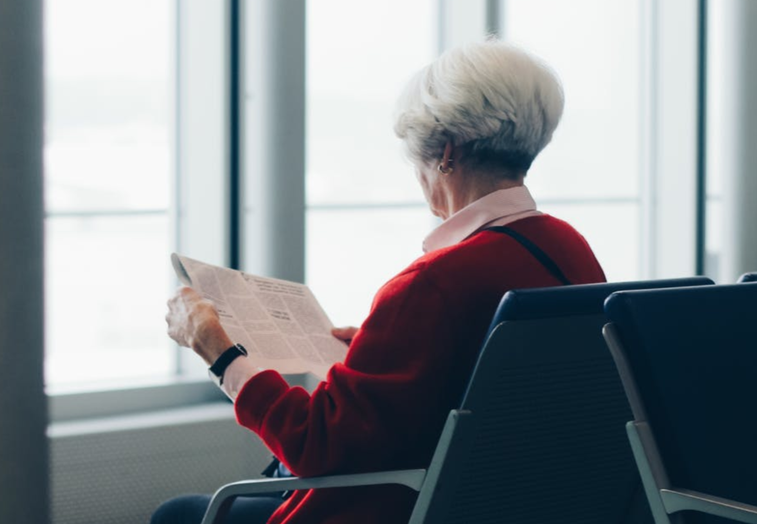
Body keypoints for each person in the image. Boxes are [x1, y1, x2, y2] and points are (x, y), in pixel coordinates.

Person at [156, 38, 606, 524]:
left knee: (179, 514)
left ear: (447, 154)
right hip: (509, 504)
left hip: (395, 505)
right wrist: (380, 357)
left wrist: (219, 353)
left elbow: (318, 445)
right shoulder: (570, 250)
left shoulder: (434, 284)